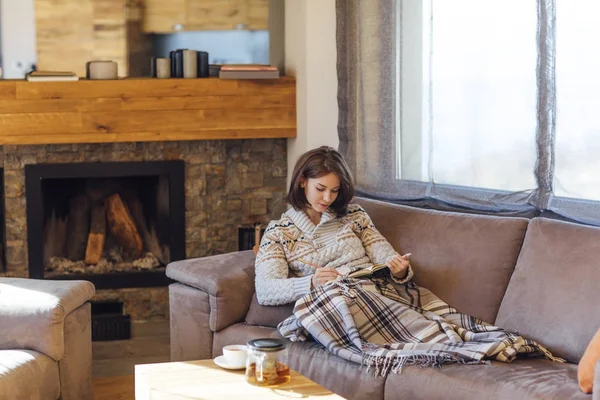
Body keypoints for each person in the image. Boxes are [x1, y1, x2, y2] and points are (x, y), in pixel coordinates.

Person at [255, 146, 413, 306]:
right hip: (331, 302)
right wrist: (311, 282)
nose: (327, 198)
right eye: (320, 189)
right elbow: (265, 290)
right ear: (302, 181)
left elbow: (385, 255)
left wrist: (399, 270)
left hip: (372, 292)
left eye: (335, 190)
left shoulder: (355, 215)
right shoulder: (278, 232)